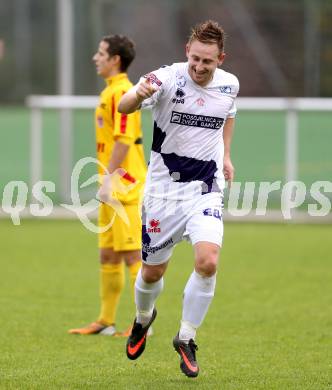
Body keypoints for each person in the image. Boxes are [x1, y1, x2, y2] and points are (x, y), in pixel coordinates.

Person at [118, 20, 239, 377]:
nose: (200, 68)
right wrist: (139, 93)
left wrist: (227, 155)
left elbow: (228, 116)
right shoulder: (167, 78)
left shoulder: (230, 84)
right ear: (187, 51)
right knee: (152, 272)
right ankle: (143, 318)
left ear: (221, 59)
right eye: (196, 59)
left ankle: (186, 337)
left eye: (209, 62)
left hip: (205, 188)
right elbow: (125, 107)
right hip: (163, 192)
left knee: (208, 261)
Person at [69, 35, 147, 336]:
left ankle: (144, 322)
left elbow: (125, 140)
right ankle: (106, 321)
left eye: (101, 53)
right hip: (112, 184)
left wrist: (110, 178)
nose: (95, 57)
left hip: (125, 184)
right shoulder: (111, 92)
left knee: (132, 255)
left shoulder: (124, 92)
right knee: (109, 255)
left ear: (115, 59)